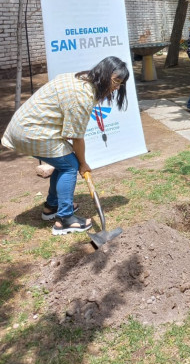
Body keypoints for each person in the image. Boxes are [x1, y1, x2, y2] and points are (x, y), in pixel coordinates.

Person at [1, 56, 129, 235]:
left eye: (120, 84)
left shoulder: (81, 79)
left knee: (65, 163)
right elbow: (76, 138)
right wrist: (83, 163)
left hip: (28, 127)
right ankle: (65, 220)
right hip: (31, 131)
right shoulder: (82, 96)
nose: (117, 87)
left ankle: (52, 207)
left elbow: (70, 134)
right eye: (115, 81)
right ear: (104, 74)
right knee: (70, 165)